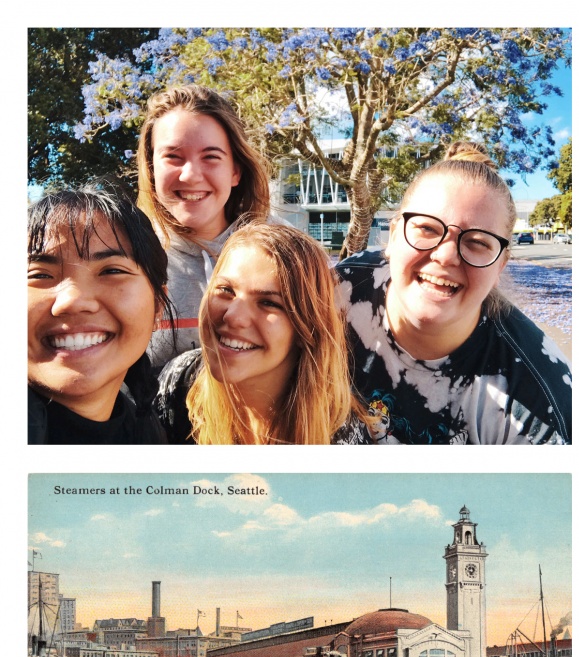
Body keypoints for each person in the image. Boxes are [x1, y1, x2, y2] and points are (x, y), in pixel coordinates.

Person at [336, 141, 572, 444]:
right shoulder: (340, 289)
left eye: (477, 241)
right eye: (427, 229)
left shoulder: (538, 403)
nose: (446, 256)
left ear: (500, 265)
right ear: (394, 236)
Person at [155, 222, 369, 444]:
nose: (233, 316)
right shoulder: (178, 382)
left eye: (269, 302)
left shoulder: (340, 438)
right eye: (226, 290)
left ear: (307, 327)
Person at [137, 84, 271, 368]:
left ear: (235, 171)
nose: (191, 175)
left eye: (211, 157)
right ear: (151, 168)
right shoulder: (126, 259)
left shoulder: (282, 254)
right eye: (173, 157)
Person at [28, 186, 174, 444]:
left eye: (111, 271)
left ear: (157, 307)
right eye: (40, 275)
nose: (72, 301)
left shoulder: (148, 433)